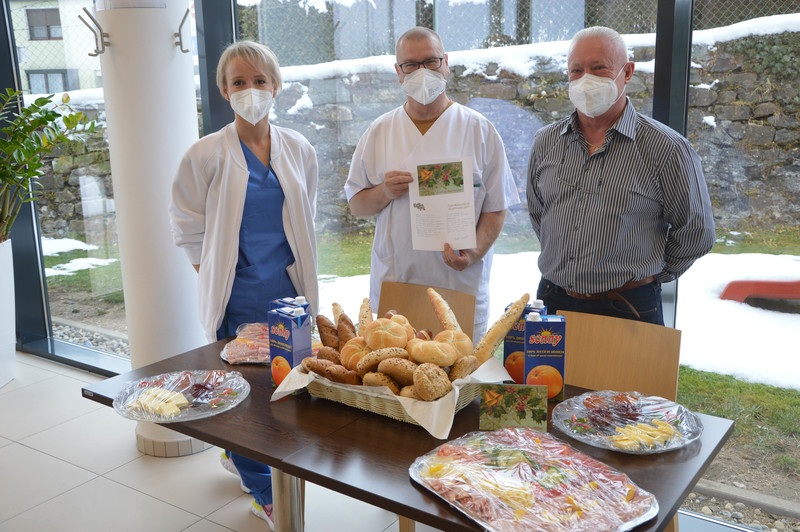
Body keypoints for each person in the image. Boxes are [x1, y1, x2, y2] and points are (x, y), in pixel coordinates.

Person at [169, 41, 319, 530]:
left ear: (275, 87)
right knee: (245, 399)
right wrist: (214, 276)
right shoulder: (205, 155)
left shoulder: (299, 148)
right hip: (237, 299)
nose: (250, 90)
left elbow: (305, 216)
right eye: (239, 82)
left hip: (289, 294)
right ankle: (264, 492)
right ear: (223, 91)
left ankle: (238, 459)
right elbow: (187, 226)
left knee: (284, 392)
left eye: (259, 81)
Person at [526, 26, 715, 325]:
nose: (586, 79)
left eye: (599, 68)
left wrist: (651, 275)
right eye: (576, 70)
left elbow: (696, 232)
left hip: (629, 305)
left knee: (631, 376)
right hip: (552, 300)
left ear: (627, 72)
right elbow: (540, 215)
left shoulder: (666, 148)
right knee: (546, 375)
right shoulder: (545, 142)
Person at [345, 27, 520, 342]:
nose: (421, 71)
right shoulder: (379, 132)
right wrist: (384, 192)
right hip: (398, 284)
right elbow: (357, 204)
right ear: (398, 72)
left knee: (462, 382)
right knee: (396, 375)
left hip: (459, 286)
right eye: (411, 65)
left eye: (430, 61)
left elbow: (497, 207)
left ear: (446, 64)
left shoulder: (479, 130)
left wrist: (475, 252)